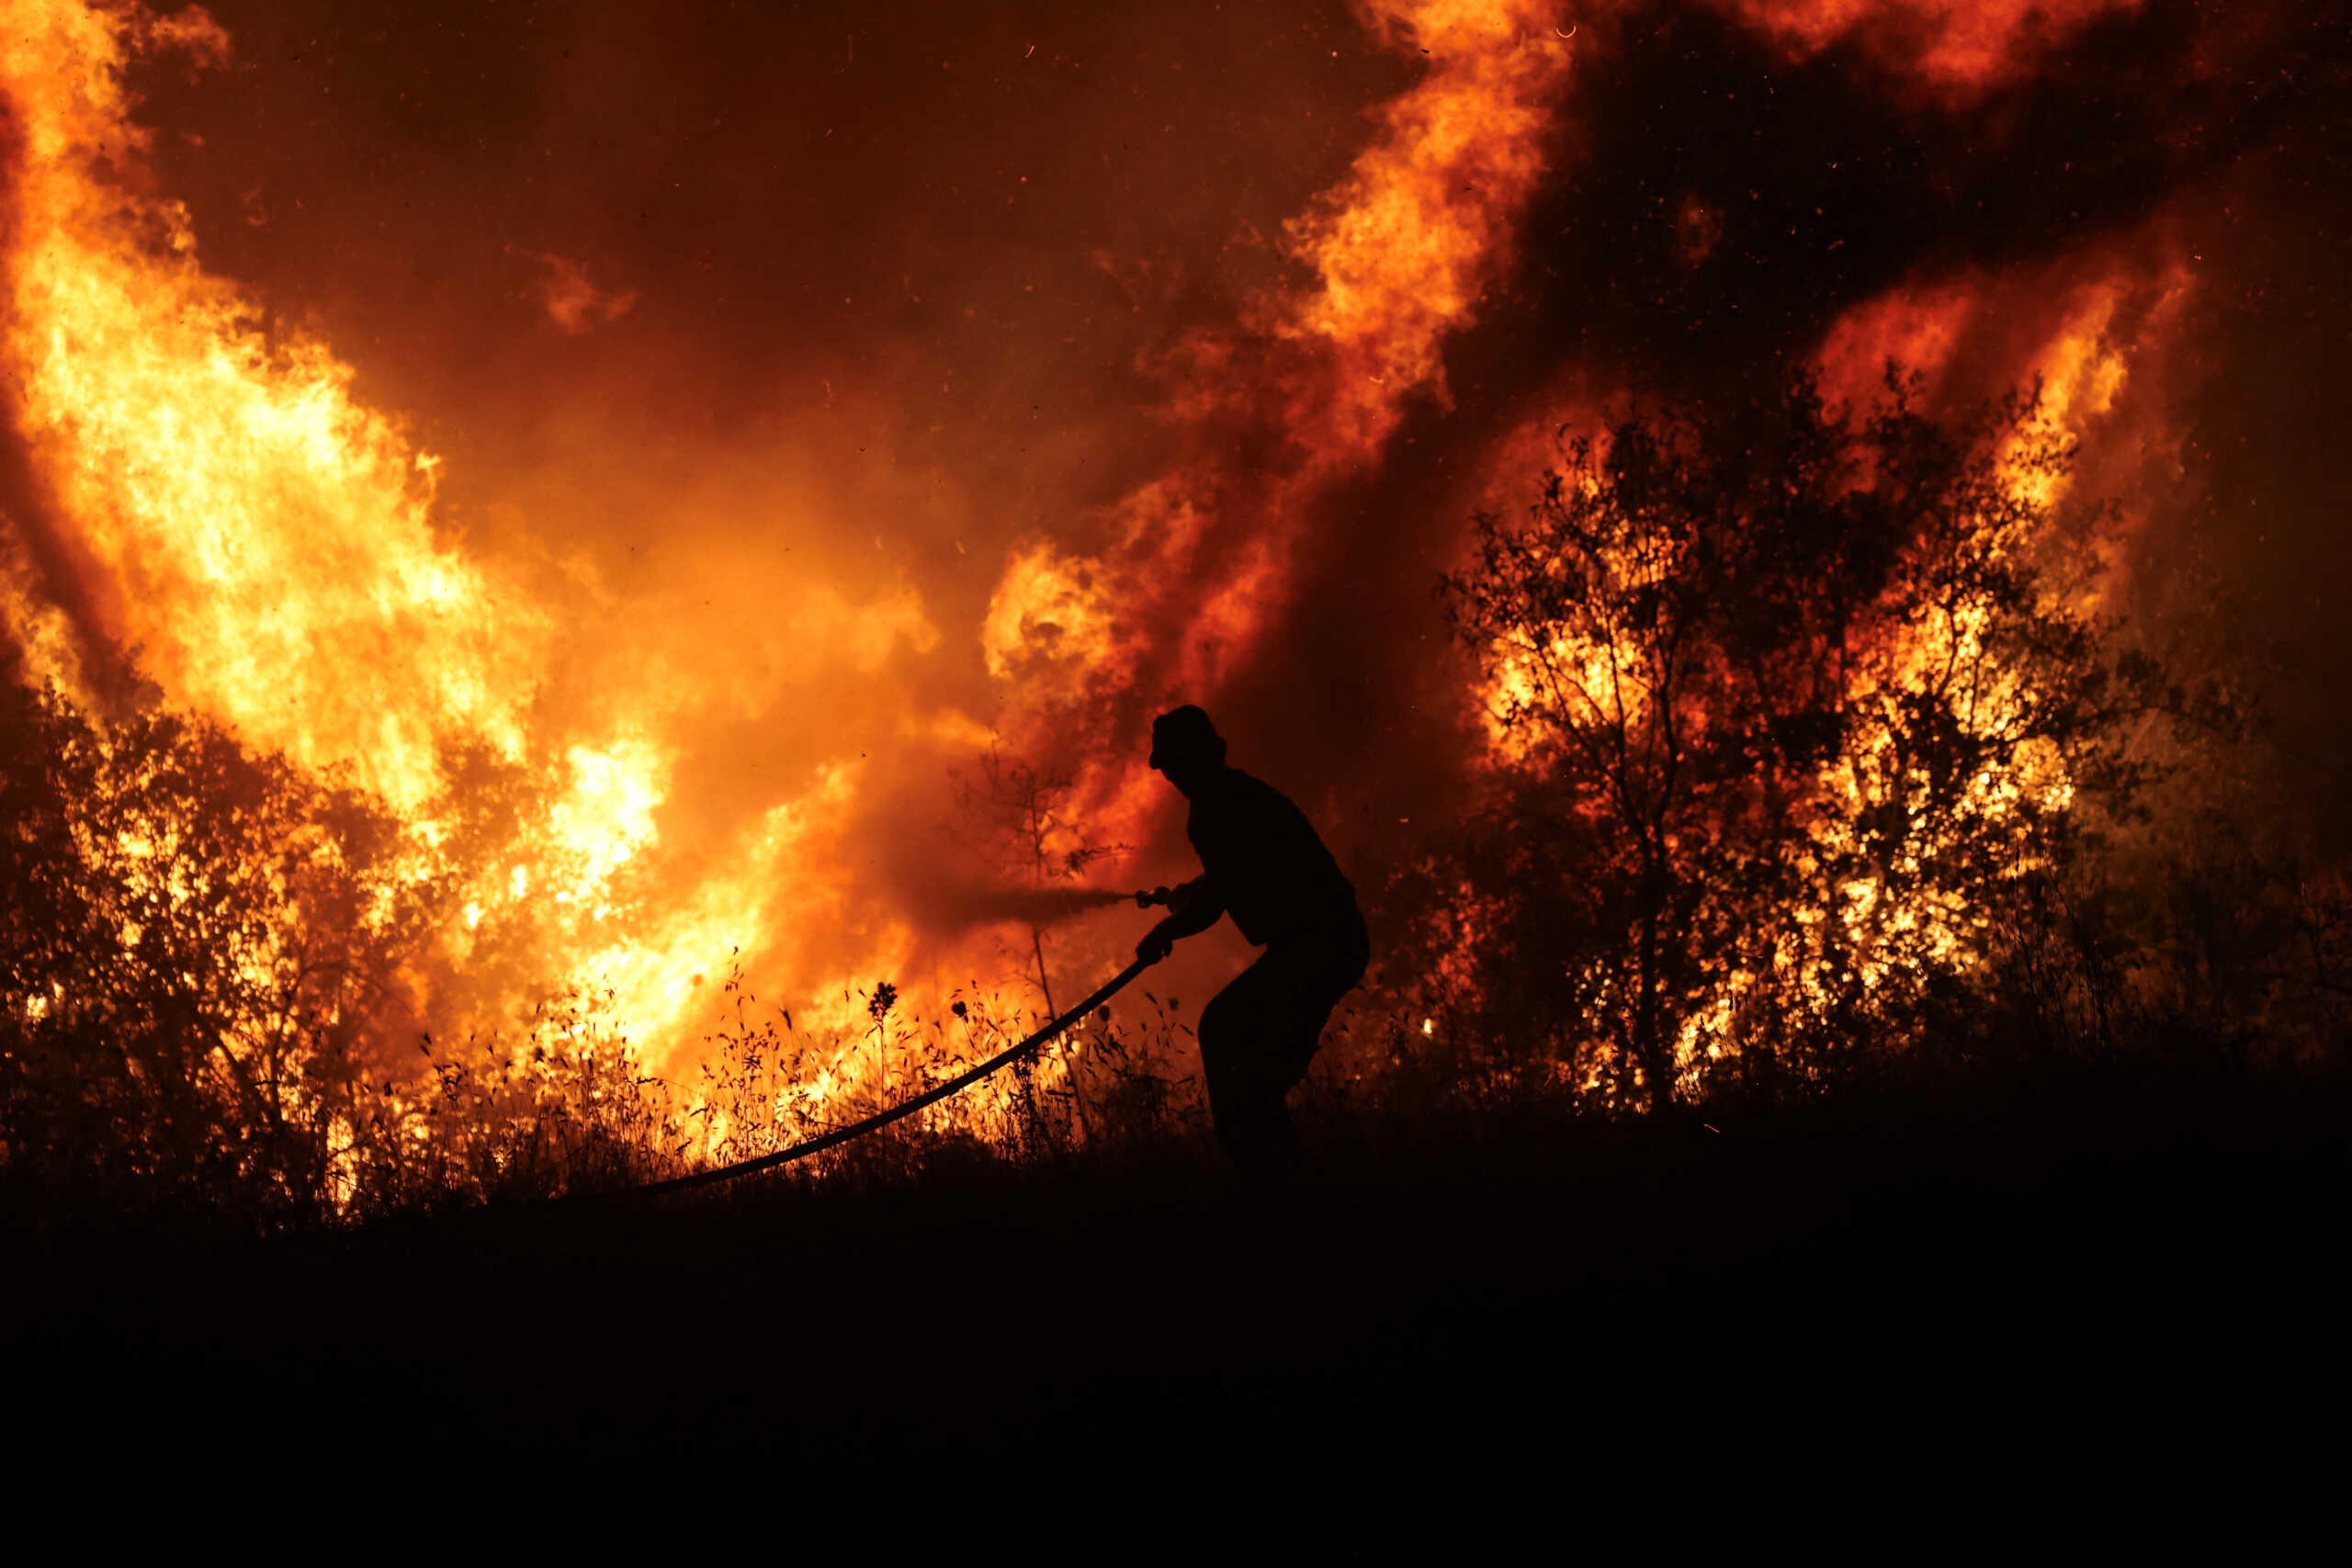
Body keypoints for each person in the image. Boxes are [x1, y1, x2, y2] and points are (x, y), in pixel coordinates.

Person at [1136, 705, 1369, 1175]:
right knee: (1253, 1074)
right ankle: (1268, 1170)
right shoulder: (1231, 795)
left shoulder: (1215, 809)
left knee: (1225, 1033)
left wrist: (1165, 931)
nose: (1169, 775)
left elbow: (1218, 896)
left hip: (1319, 946)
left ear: (1199, 754)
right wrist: (1188, 894)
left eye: (1175, 762)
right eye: (1167, 766)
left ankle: (1260, 1172)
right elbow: (1230, 875)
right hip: (1327, 944)